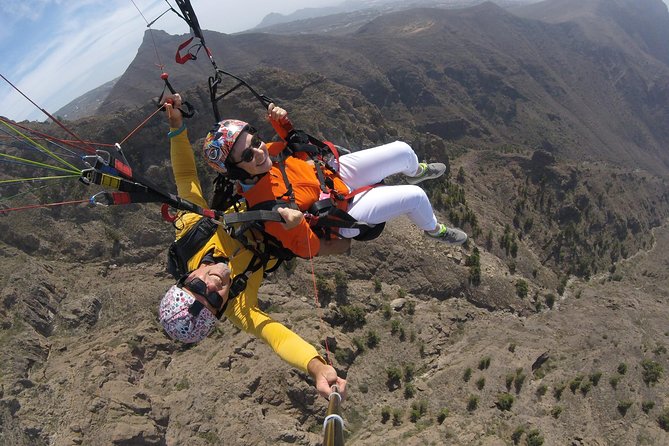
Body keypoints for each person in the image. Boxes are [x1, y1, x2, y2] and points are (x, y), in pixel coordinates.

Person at [157, 94, 346, 400]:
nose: (213, 285)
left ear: (186, 278)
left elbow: (186, 178)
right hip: (283, 232)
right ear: (220, 310)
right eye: (213, 300)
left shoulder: (191, 234)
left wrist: (176, 126)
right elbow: (274, 335)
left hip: (262, 198)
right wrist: (317, 367)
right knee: (342, 242)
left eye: (197, 286)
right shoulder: (237, 307)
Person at [201, 102, 468, 259]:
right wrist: (295, 226)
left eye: (256, 141)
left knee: (402, 149)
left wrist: (283, 125)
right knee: (415, 198)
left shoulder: (267, 154)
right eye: (248, 154)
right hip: (340, 213)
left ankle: (415, 171)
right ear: (236, 172)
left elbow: (297, 150)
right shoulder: (267, 211)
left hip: (332, 176)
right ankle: (434, 230)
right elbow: (310, 249)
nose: (259, 151)